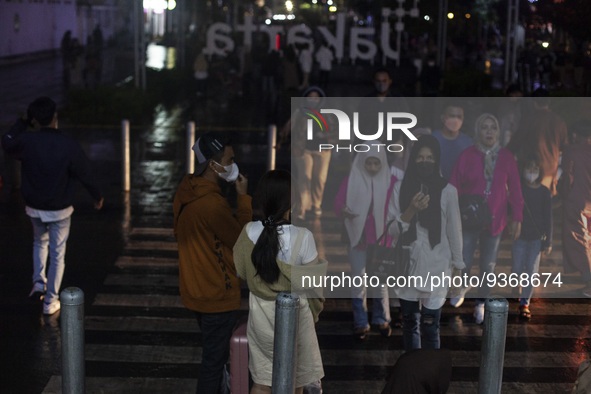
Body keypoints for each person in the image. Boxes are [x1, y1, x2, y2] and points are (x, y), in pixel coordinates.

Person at [1, 97, 104, 315]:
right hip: (60, 209)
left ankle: (39, 282)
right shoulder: (68, 145)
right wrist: (97, 196)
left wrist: (22, 122)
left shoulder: (27, 141)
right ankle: (51, 300)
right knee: (58, 253)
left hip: (34, 207)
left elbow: (7, 140)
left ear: (35, 120)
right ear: (55, 118)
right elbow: (85, 173)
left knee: (40, 242)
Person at [172, 132, 252, 394]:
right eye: (229, 159)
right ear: (213, 165)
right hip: (217, 294)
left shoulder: (186, 192)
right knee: (213, 363)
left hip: (196, 290)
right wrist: (243, 199)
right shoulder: (212, 205)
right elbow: (243, 243)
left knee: (213, 358)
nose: (233, 163)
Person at [233, 169, 326, 394]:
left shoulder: (248, 232)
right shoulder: (304, 237)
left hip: (260, 319)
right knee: (295, 384)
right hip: (296, 319)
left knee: (262, 382)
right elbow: (315, 285)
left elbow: (241, 272)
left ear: (262, 200)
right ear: (291, 202)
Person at [387, 135, 463, 350]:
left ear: (436, 159)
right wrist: (410, 210)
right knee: (410, 324)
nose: (424, 161)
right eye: (420, 157)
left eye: (430, 157)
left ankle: (430, 371)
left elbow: (454, 232)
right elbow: (392, 230)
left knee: (431, 326)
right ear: (413, 159)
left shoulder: (448, 191)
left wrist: (457, 271)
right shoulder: (400, 188)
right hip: (407, 266)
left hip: (438, 266)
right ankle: (413, 370)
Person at [449, 113, 523, 324]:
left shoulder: (506, 157)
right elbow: (454, 185)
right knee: (464, 259)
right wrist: (451, 215)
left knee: (488, 265)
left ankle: (481, 301)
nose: (489, 132)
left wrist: (517, 216)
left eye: (493, 128)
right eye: (485, 127)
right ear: (478, 131)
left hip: (495, 219)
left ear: (497, 132)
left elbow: (515, 189)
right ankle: (460, 286)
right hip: (470, 218)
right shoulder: (467, 155)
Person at [334, 144, 397, 339]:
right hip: (357, 237)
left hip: (381, 239)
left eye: (376, 163)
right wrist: (344, 210)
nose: (371, 167)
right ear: (361, 162)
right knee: (358, 280)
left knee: (380, 280)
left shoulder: (390, 182)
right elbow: (338, 203)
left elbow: (395, 208)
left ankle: (382, 318)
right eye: (368, 162)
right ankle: (361, 321)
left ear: (382, 163)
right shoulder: (351, 180)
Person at [279, 86, 334, 220]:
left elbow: (336, 131)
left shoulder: (327, 113)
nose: (313, 100)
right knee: (304, 177)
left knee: (319, 178)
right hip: (303, 149)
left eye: (316, 98)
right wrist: (281, 141)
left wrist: (326, 135)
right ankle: (301, 208)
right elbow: (288, 127)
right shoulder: (300, 112)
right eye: (310, 97)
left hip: (323, 149)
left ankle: (316, 204)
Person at [511, 155, 552, 319]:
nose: (532, 172)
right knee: (517, 268)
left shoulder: (544, 191)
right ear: (522, 170)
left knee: (531, 272)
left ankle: (524, 303)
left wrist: (548, 241)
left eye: (535, 169)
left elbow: (548, 218)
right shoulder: (518, 189)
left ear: (540, 171)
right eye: (529, 168)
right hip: (519, 237)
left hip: (536, 238)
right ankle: (516, 286)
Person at [507, 88, 568, 195]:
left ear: (534, 103)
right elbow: (565, 148)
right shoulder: (559, 121)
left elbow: (514, 144)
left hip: (532, 172)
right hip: (551, 174)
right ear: (548, 102)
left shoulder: (529, 120)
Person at [559, 122, 591, 298]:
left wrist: (562, 193)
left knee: (579, 242)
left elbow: (567, 178)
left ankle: (589, 283)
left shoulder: (572, 152)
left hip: (576, 202)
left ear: (576, 135)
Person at [432, 103, 472, 180]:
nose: (455, 120)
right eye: (451, 116)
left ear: (463, 119)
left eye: (459, 117)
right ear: (443, 118)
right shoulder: (432, 139)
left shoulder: (468, 143)